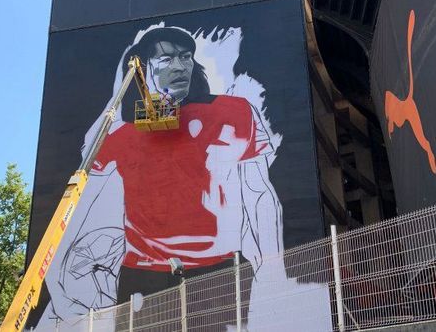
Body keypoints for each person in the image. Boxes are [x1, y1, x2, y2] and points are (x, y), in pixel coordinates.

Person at [45, 26, 286, 320]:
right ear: (142, 69)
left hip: (221, 270)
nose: (179, 66)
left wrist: (274, 271)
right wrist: (55, 275)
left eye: (185, 57)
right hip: (142, 275)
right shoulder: (122, 133)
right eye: (166, 59)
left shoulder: (235, 112)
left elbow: (260, 196)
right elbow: (79, 205)